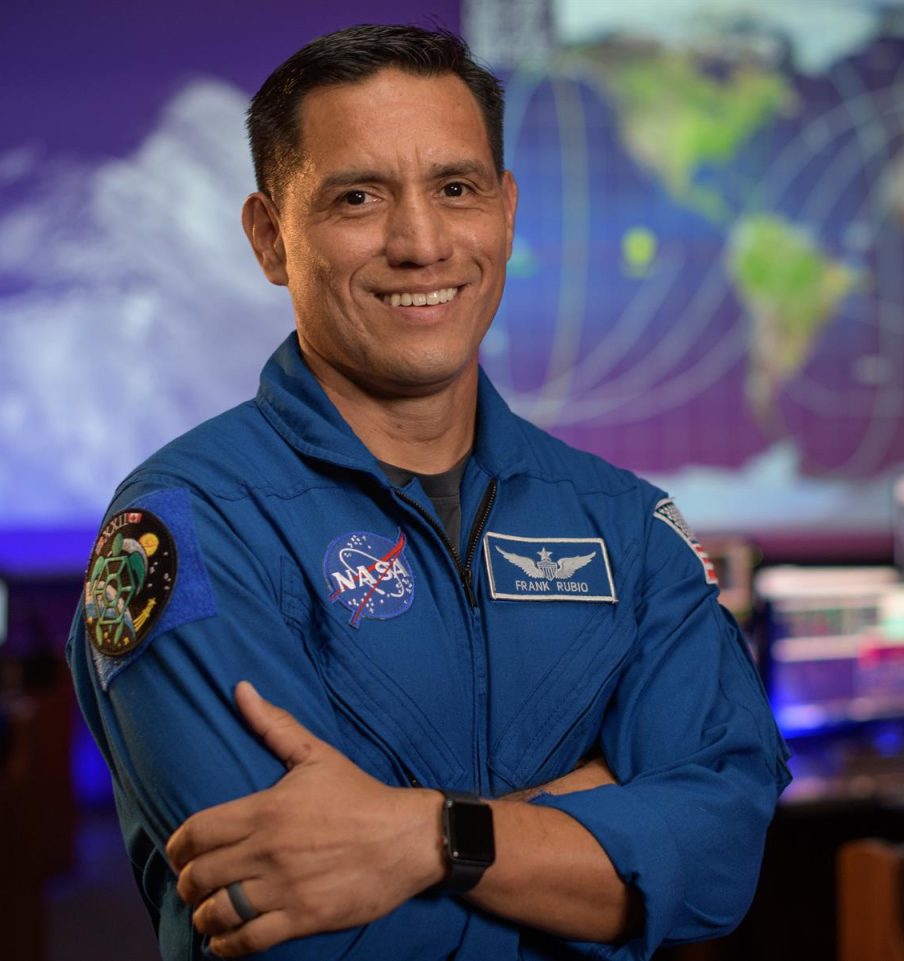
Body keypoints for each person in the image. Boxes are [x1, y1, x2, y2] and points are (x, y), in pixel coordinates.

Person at [66, 23, 790, 961]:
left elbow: (721, 853)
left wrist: (425, 838)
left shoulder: (622, 523)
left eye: (456, 189)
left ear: (506, 210)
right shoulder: (188, 528)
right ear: (269, 238)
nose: (421, 242)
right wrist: (593, 831)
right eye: (358, 198)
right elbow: (291, 927)